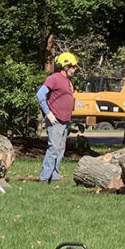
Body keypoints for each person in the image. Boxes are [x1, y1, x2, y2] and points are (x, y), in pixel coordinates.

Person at [36, 52, 78, 183]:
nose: (75, 69)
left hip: (65, 120)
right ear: (65, 66)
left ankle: (54, 176)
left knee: (60, 149)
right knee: (53, 148)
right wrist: (48, 113)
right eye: (73, 66)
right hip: (55, 119)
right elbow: (40, 94)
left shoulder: (68, 81)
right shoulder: (54, 78)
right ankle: (44, 177)